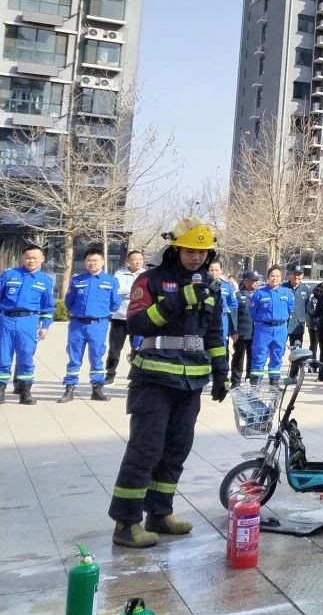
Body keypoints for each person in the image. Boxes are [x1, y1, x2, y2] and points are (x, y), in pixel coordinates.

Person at [108, 217, 227, 547]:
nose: (196, 257)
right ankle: (126, 522)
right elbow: (136, 324)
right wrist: (177, 300)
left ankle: (159, 514)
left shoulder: (211, 287)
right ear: (175, 249)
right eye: (190, 250)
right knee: (146, 449)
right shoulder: (151, 280)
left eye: (202, 252)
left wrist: (221, 371)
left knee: (176, 449)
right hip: (154, 379)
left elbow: (214, 334)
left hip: (191, 382)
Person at [58, 245, 122, 403]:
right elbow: (69, 302)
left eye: (95, 260)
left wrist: (102, 314)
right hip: (77, 325)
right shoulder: (77, 280)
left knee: (96, 357)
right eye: (89, 260)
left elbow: (115, 303)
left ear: (102, 261)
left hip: (98, 325)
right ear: (85, 262)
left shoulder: (111, 281)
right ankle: (70, 389)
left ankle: (97, 389)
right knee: (74, 357)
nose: (92, 263)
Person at [0, 243, 56, 405]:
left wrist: (45, 326)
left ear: (42, 259)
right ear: (22, 258)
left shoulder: (45, 281)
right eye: (28, 258)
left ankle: (25, 392)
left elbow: (48, 307)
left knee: (26, 357)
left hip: (28, 322)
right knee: (3, 357)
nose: (31, 261)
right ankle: (1, 390)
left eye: (35, 258)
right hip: (6, 321)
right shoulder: (9, 275)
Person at [248, 265, 294, 385]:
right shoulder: (259, 294)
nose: (275, 278)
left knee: (277, 354)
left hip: (280, 329)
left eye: (277, 276)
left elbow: (290, 309)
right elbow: (252, 312)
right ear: (268, 277)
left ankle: (274, 380)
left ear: (281, 278)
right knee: (259, 354)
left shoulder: (287, 293)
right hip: (263, 329)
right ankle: (256, 381)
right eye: (272, 276)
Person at [106, 249, 146, 385]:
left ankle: (134, 376)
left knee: (137, 349)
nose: (137, 262)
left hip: (138, 317)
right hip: (120, 317)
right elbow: (117, 290)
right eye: (134, 259)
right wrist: (135, 291)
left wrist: (128, 292)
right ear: (128, 261)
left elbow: (146, 292)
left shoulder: (146, 275)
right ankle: (110, 374)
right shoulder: (119, 273)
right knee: (114, 349)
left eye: (140, 259)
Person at [230, 271, 259, 388]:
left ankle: (251, 379)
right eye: (253, 281)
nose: (256, 283)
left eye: (257, 281)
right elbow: (233, 314)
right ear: (246, 281)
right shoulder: (237, 295)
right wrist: (234, 331)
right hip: (241, 333)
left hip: (256, 333)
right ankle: (235, 381)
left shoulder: (259, 294)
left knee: (253, 357)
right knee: (238, 357)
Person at [207, 260, 238, 366]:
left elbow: (233, 304)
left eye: (216, 270)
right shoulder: (203, 284)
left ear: (221, 270)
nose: (213, 272)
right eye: (211, 270)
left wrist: (225, 311)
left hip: (222, 319)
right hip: (207, 318)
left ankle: (221, 367)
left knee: (222, 343)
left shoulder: (227, 286)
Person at [285, 266, 308, 350]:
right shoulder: (283, 288)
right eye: (294, 274)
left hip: (297, 326)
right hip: (283, 324)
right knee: (279, 350)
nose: (297, 276)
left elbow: (308, 308)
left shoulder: (306, 289)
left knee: (296, 351)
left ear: (303, 275)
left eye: (299, 274)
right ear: (290, 274)